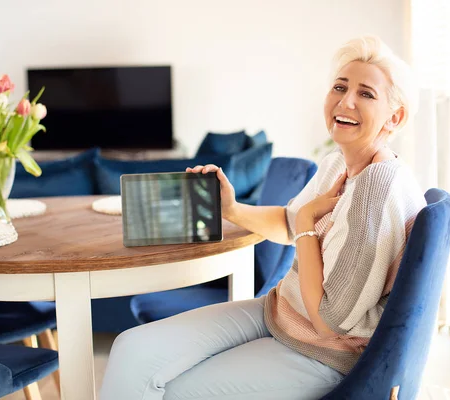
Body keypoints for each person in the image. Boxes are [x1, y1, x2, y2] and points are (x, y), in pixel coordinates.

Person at [100, 35, 426, 400]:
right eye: (340, 86)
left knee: (171, 391)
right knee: (130, 348)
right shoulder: (339, 164)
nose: (345, 100)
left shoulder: (375, 189)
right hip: (279, 313)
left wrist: (305, 223)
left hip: (324, 354)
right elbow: (288, 223)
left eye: (366, 94)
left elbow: (328, 319)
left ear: (394, 118)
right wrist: (232, 209)